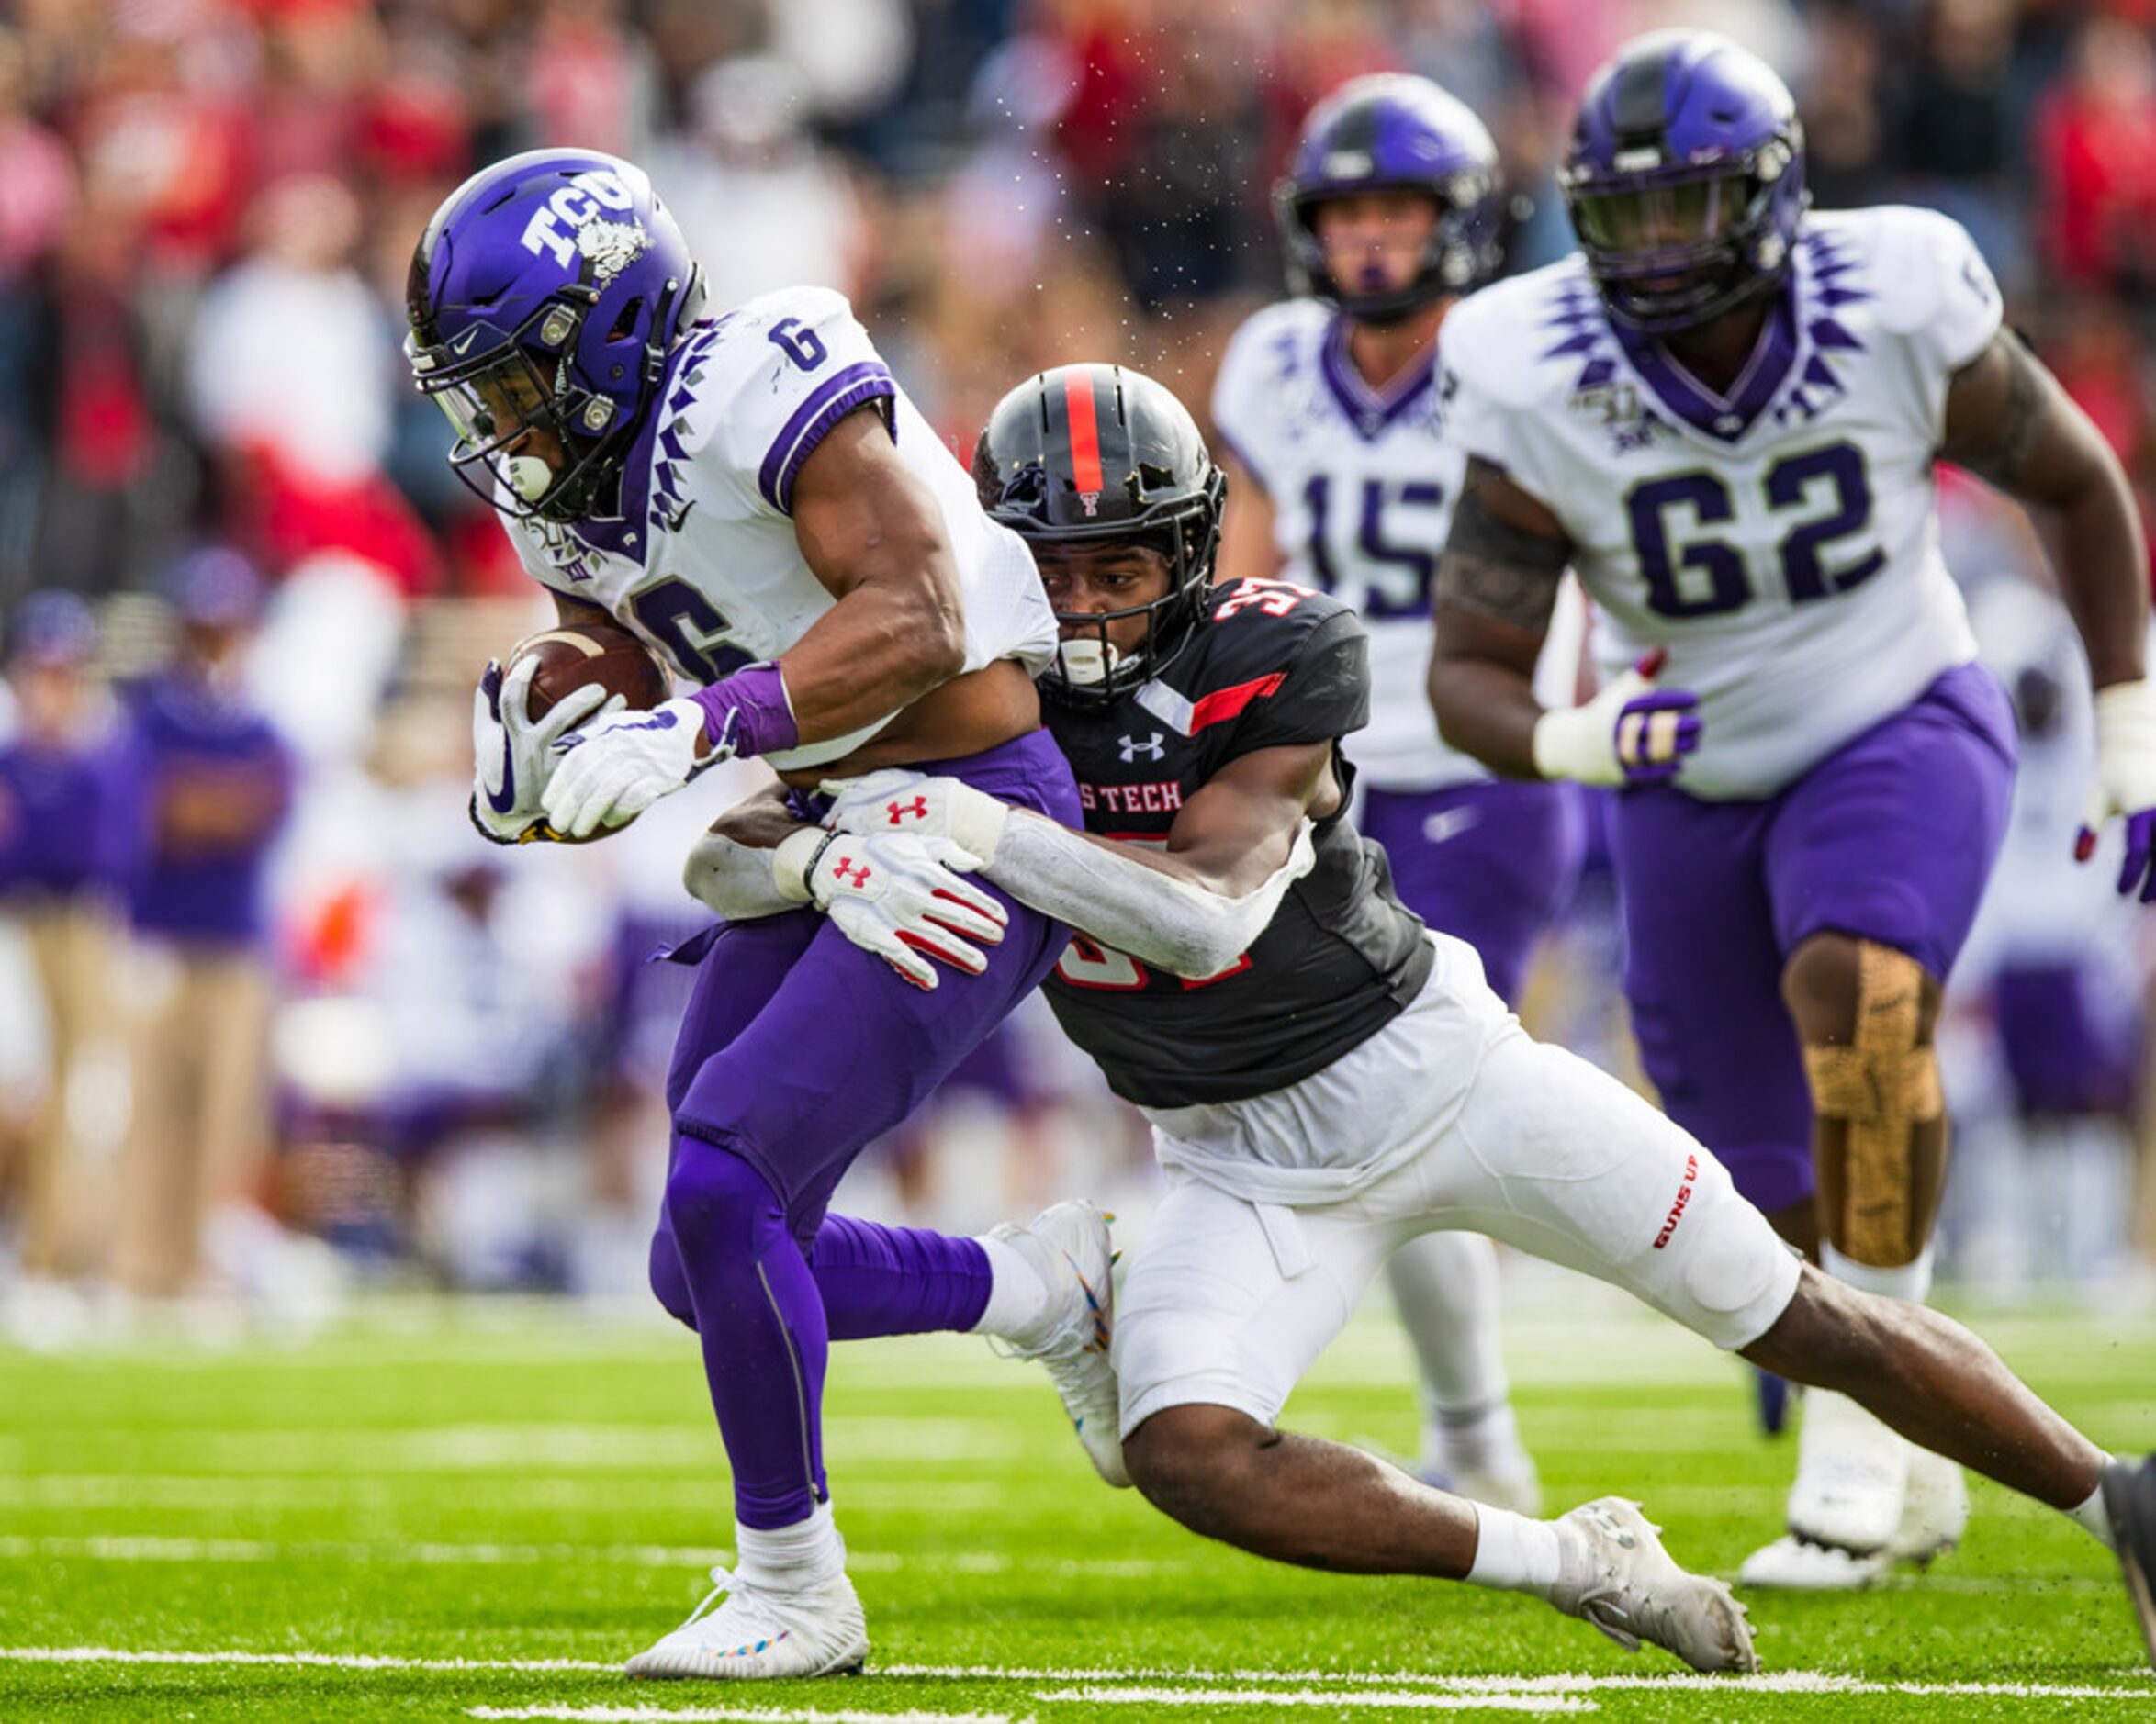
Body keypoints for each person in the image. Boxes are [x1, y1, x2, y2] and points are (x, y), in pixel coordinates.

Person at [689, 363, 2156, 1676]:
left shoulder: (1272, 648)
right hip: (1230, 1157)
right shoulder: (954, 695)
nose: (1082, 609)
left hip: (1441, 1075)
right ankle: (1578, 1561)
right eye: (1053, 574)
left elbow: (1206, 912)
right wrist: (821, 849)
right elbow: (723, 849)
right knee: (1181, 1453)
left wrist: (968, 825)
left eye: (1119, 567)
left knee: (1794, 1313)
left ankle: (2117, 1496)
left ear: (1191, 553)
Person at [1422, 28, 2156, 1589]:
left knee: (1865, 997)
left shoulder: (1896, 292)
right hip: (1679, 771)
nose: (1654, 249)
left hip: (1893, 707)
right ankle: (1921, 1418)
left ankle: (1862, 1432)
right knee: (1756, 1180)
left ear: (1768, 200)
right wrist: (1572, 732)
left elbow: (2078, 480)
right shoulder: (1528, 361)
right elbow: (1466, 672)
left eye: (1687, 209)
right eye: (1621, 217)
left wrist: (2125, 715)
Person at [404, 149, 1124, 1682]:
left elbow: (921, 611)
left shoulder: (762, 369)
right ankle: (1040, 1287)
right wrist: (546, 714)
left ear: (606, 331)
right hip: (819, 826)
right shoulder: (568, 491)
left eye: (518, 383)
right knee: (700, 1251)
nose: (499, 428)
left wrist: (695, 732)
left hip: (968, 808)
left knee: (724, 1176)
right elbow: (622, 636)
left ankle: (794, 1584)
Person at [1209, 73, 1579, 1513]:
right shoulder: (1271, 360)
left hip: (1488, 765)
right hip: (1328, 775)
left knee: (1402, 1091)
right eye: (1348, 213)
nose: (1370, 242)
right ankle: (1475, 1431)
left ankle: (1479, 1427)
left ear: (1463, 222)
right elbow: (1247, 553)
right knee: (1369, 1097)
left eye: (1399, 212)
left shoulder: (1517, 355)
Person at [115, 550, 294, 1307]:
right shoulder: (153, 717)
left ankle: (203, 1270)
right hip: (161, 938)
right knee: (153, 1108)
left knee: (227, 1116)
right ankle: (140, 1266)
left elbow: (264, 806)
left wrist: (203, 806)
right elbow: (158, 812)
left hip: (234, 944)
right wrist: (217, 806)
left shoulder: (257, 722)